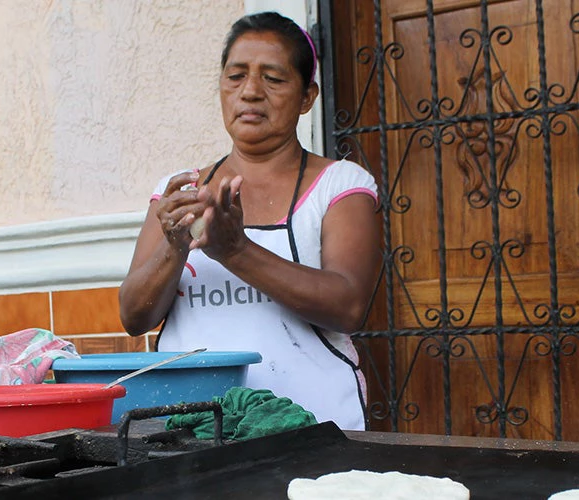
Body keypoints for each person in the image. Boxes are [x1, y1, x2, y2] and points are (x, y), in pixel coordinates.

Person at [118, 12, 381, 430]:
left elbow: (347, 306)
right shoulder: (179, 192)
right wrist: (173, 246)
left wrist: (236, 251)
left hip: (314, 427)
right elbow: (134, 317)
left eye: (273, 79)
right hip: (191, 430)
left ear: (307, 97)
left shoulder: (340, 185)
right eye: (236, 76)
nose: (251, 92)